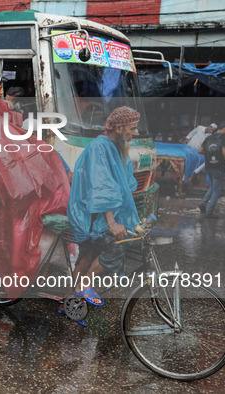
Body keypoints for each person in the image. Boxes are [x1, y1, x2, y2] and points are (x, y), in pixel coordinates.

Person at [67, 106, 141, 311]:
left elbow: (124, 185)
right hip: (89, 211)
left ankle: (71, 300)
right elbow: (101, 188)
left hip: (99, 211)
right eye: (132, 128)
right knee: (114, 248)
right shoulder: (100, 147)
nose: (136, 133)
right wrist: (112, 223)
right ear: (118, 127)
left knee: (88, 254)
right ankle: (83, 286)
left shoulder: (118, 147)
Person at [198, 125, 225, 218]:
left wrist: (209, 153)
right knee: (216, 191)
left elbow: (200, 150)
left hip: (209, 166)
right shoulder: (223, 139)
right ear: (224, 129)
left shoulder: (209, 138)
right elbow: (223, 152)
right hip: (219, 167)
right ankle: (209, 212)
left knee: (214, 186)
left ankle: (203, 203)